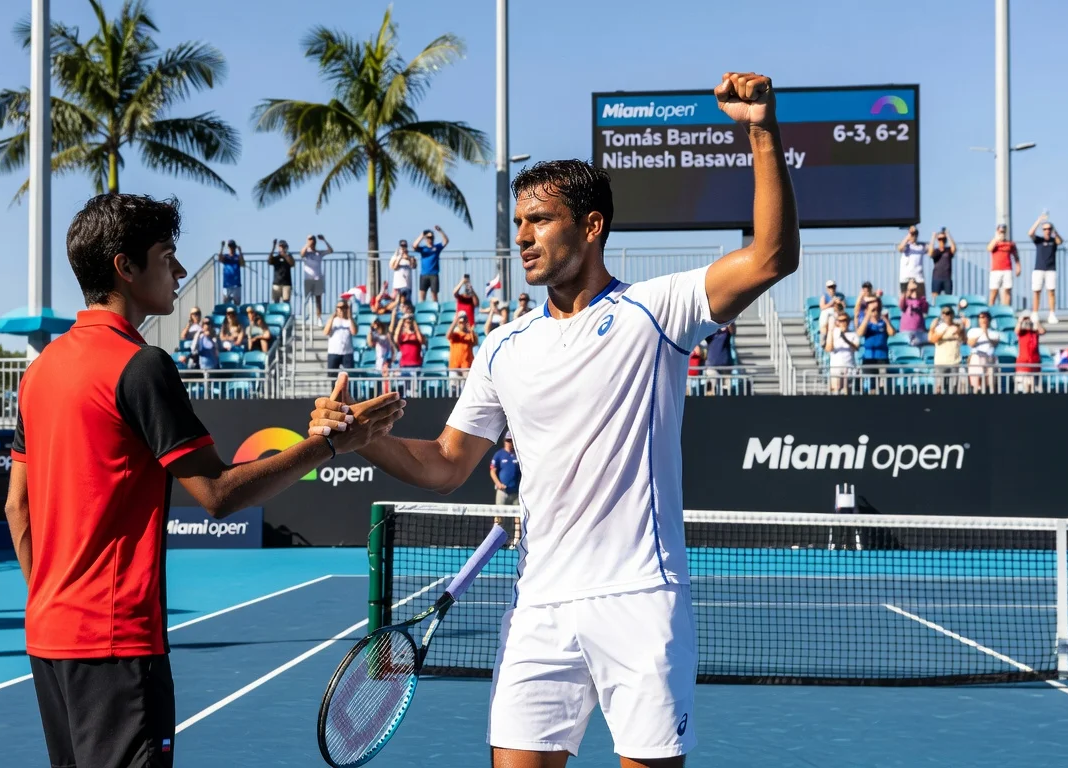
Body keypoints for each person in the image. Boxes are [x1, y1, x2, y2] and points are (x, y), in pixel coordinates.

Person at [307, 73, 798, 767]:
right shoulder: (503, 345)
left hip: (639, 598)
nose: (523, 236)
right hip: (537, 607)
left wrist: (760, 132)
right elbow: (446, 464)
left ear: (591, 226)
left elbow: (773, 257)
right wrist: (368, 441)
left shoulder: (656, 312)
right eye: (517, 223)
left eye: (539, 220)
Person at [4, 193, 402, 768]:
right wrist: (333, 443)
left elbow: (18, 507)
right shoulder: (140, 365)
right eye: (168, 256)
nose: (181, 271)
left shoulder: (39, 370)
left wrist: (50, 599)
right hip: (117, 644)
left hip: (48, 637)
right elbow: (217, 494)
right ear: (125, 267)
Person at [1028, 213, 1062, 324]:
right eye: (1045, 229)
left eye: (1049, 229)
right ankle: (1035, 313)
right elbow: (1030, 233)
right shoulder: (1039, 240)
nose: (1047, 230)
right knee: (1036, 291)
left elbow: (1060, 241)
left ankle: (1052, 314)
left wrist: (1055, 231)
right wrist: (1039, 221)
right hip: (1038, 269)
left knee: (1051, 291)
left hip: (1051, 269)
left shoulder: (1054, 241)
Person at [858, 300, 894, 392]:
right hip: (869, 357)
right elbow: (860, 332)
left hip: (882, 357)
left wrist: (886, 320)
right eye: (873, 310)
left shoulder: (883, 322)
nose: (875, 312)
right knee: (872, 385)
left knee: (883, 384)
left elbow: (892, 332)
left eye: (877, 309)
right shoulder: (867, 324)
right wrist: (868, 316)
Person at [928, 306, 964, 392]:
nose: (946, 315)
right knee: (939, 388)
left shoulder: (957, 327)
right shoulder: (939, 327)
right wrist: (942, 331)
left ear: (952, 314)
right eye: (944, 313)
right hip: (941, 362)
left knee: (954, 388)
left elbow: (963, 338)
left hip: (954, 361)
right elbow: (932, 339)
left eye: (948, 313)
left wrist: (961, 328)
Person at [824, 312, 858, 395]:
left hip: (849, 367)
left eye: (845, 320)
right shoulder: (833, 333)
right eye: (841, 321)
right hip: (836, 368)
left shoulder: (853, 334)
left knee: (848, 391)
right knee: (836, 391)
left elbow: (856, 348)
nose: (844, 323)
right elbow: (828, 348)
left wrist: (845, 338)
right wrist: (831, 331)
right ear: (837, 322)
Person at [301, 234, 333, 321]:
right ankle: (306, 316)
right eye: (310, 239)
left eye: (313, 240)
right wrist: (308, 244)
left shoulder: (319, 253)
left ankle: (319, 317)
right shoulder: (306, 252)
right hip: (308, 279)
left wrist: (324, 240)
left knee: (318, 299)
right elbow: (302, 253)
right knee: (307, 298)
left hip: (318, 279)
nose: (312, 241)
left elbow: (330, 250)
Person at [967, 310, 1001, 393]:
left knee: (991, 383)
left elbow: (995, 344)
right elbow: (971, 343)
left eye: (986, 317)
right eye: (981, 317)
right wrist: (981, 332)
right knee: (976, 385)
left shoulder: (994, 333)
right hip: (976, 358)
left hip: (989, 359)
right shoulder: (973, 331)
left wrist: (986, 334)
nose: (983, 319)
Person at [987, 224, 1019, 307]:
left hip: (1007, 269)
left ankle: (1006, 310)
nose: (1002, 233)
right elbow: (989, 248)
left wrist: (1018, 266)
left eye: (1003, 231)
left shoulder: (1010, 244)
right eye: (1000, 231)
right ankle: (990, 309)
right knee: (994, 291)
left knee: (1007, 290)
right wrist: (996, 239)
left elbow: (1016, 256)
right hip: (995, 270)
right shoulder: (994, 243)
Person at [414, 226, 448, 303]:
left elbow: (445, 241)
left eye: (431, 237)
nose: (430, 239)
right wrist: (422, 235)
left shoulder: (437, 247)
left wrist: (440, 231)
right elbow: (414, 245)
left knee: (434, 295)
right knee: (422, 295)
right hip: (424, 274)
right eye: (428, 238)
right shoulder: (423, 249)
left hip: (434, 274)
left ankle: (435, 310)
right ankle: (422, 311)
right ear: (426, 239)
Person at [701, 322, 734, 395]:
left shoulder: (726, 332)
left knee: (727, 391)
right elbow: (702, 334)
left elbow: (733, 331)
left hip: (726, 365)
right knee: (712, 389)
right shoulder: (710, 332)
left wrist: (729, 321)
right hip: (712, 365)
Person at [1015, 315, 1046, 393]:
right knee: (1025, 387)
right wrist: (1020, 321)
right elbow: (1016, 330)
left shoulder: (1035, 333)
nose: (1028, 323)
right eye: (1026, 322)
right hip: (1023, 364)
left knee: (1034, 387)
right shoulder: (1022, 333)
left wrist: (1036, 321)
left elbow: (1042, 331)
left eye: (1029, 321)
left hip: (1034, 362)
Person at [324, 299, 356, 372]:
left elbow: (354, 332)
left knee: (348, 376)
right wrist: (332, 316)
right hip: (333, 352)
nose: (342, 310)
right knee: (333, 376)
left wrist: (350, 316)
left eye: (344, 307)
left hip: (347, 353)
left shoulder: (350, 320)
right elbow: (326, 332)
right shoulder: (333, 320)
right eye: (339, 308)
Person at [489, 434, 520, 506]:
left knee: (518, 516)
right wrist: (498, 484)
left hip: (516, 491)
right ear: (504, 441)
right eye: (508, 440)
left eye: (511, 441)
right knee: (498, 515)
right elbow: (492, 471)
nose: (510, 443)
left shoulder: (517, 455)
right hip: (502, 491)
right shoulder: (499, 454)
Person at [898, 279, 930, 347]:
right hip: (906, 330)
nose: (913, 291)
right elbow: (901, 306)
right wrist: (908, 293)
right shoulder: (905, 299)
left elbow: (925, 309)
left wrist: (918, 297)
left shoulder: (922, 299)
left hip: (919, 331)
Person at [896, 225, 927, 295]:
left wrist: (933, 237)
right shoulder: (906, 245)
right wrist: (909, 234)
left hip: (918, 277)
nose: (913, 236)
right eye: (912, 235)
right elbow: (900, 248)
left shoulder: (921, 246)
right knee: (904, 298)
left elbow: (931, 251)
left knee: (921, 297)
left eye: (915, 234)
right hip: (905, 277)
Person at [928, 229, 956, 299]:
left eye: (943, 239)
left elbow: (954, 248)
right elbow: (930, 253)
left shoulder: (948, 250)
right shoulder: (936, 251)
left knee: (948, 298)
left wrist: (948, 235)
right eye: (940, 239)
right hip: (936, 277)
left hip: (947, 278)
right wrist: (933, 238)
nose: (942, 240)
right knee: (935, 298)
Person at [267, 239, 295, 304]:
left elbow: (292, 264)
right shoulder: (276, 258)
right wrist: (273, 248)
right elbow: (269, 261)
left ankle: (286, 314)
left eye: (283, 246)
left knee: (286, 302)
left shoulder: (289, 256)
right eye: (280, 247)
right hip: (276, 283)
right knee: (276, 301)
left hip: (286, 283)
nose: (281, 248)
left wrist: (285, 255)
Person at [218, 240, 244, 305]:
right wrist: (222, 247)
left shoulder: (237, 257)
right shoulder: (226, 256)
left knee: (237, 304)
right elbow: (220, 259)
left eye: (232, 246)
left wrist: (240, 252)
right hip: (227, 285)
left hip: (236, 284)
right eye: (230, 246)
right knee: (225, 304)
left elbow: (242, 263)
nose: (231, 248)